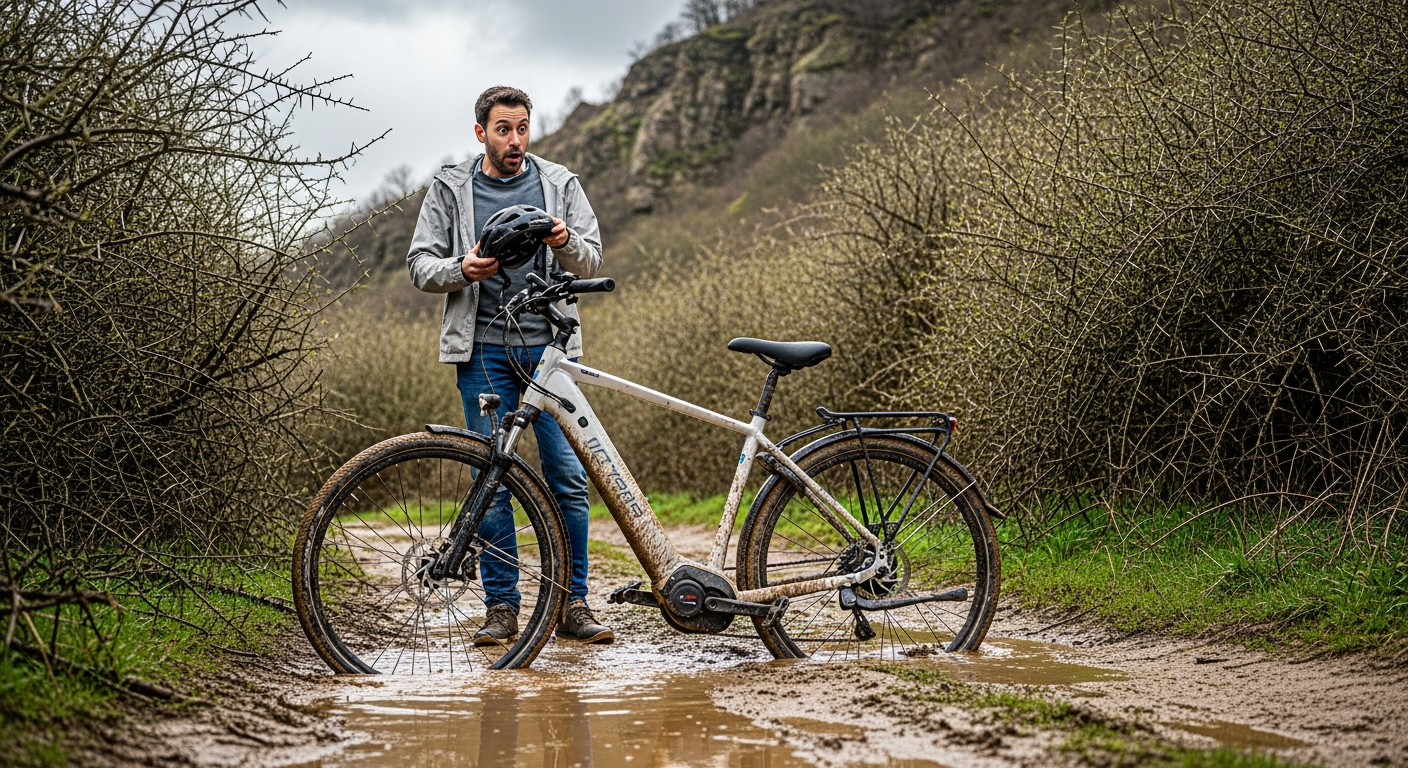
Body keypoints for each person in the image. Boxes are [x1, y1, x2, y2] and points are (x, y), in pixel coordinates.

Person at [406, 85, 612, 645]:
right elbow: (420, 265)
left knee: (568, 481)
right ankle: (502, 610)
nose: (515, 140)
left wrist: (565, 239)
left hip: (552, 354)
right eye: (503, 129)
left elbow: (592, 256)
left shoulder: (560, 183)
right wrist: (463, 268)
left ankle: (574, 605)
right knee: (491, 478)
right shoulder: (451, 188)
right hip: (484, 351)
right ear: (481, 133)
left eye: (522, 127)